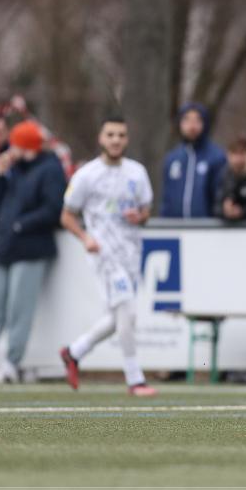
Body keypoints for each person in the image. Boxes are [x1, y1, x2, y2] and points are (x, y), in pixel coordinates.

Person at [58, 117, 157, 396]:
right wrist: (86, 237)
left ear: (127, 139)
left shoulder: (137, 173)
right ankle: (135, 379)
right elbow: (66, 216)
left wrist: (141, 216)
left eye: (121, 135)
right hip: (104, 254)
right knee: (128, 311)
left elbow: (146, 211)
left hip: (130, 253)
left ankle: (73, 352)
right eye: (110, 134)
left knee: (118, 319)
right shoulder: (87, 175)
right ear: (101, 139)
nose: (115, 140)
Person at [0, 121, 66, 383]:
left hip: (31, 248)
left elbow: (53, 208)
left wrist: (20, 224)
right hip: (5, 247)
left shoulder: (49, 168)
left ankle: (11, 363)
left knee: (18, 309)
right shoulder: (14, 170)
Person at [160, 102, 226, 218]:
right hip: (175, 229)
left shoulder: (216, 157)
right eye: (187, 120)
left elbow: (219, 196)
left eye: (197, 121)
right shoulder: (172, 158)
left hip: (205, 229)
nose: (192, 126)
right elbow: (166, 198)